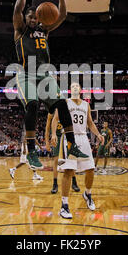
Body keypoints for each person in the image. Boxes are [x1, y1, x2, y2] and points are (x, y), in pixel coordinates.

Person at [12, 0, 87, 170]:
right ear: (26, 19)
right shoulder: (20, 30)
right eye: (31, 17)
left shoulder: (44, 30)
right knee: (33, 104)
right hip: (26, 74)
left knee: (62, 103)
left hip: (45, 74)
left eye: (36, 17)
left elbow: (62, 14)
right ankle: (31, 152)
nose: (34, 20)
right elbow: (17, 9)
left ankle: (72, 145)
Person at [52, 82, 104, 219]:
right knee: (69, 172)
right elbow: (55, 119)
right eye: (72, 86)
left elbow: (90, 123)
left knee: (91, 169)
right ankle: (64, 206)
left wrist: (98, 135)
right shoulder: (64, 103)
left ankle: (87, 194)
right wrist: (53, 134)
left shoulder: (86, 105)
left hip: (83, 138)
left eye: (77, 86)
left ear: (81, 90)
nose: (75, 88)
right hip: (69, 137)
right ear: (70, 90)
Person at [45, 111, 80, 194]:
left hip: (66, 136)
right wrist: (47, 142)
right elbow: (47, 129)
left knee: (70, 160)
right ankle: (55, 184)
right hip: (56, 137)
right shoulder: (51, 113)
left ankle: (74, 182)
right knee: (56, 160)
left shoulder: (67, 110)